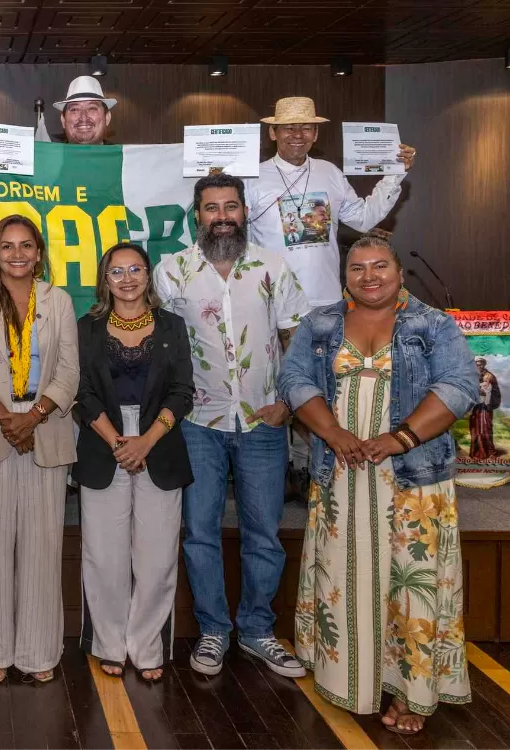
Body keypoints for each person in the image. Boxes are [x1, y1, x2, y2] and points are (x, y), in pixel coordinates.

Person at [278, 236, 478, 735]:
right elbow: (295, 381)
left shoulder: (434, 324)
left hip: (413, 481)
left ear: (399, 272)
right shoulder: (320, 323)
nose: (370, 276)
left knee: (411, 585)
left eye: (380, 266)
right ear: (344, 275)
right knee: (347, 576)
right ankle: (350, 680)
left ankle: (412, 692)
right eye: (358, 268)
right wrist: (334, 433)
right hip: (340, 476)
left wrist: (400, 438)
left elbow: (459, 386)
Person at [152, 172, 310, 678]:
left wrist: (288, 403)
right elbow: (162, 349)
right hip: (197, 422)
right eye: (212, 207)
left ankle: (259, 631)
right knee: (199, 531)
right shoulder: (171, 271)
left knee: (264, 531)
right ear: (196, 215)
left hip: (265, 421)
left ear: (244, 212)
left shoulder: (273, 266)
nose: (222, 216)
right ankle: (214, 631)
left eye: (231, 207)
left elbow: (297, 342)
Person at [0, 215, 78, 684]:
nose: (18, 254)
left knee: (42, 548)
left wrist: (34, 416)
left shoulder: (58, 301)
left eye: (27, 246)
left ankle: (38, 652)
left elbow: (70, 369)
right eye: (8, 247)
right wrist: (9, 419)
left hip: (45, 432)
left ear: (40, 253)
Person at [74, 242, 194, 682]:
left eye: (136, 270)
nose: (127, 279)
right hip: (102, 440)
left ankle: (146, 646)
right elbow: (80, 391)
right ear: (105, 280)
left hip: (157, 442)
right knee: (104, 556)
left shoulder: (172, 327)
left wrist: (145, 441)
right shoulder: (86, 328)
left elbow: (182, 391)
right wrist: (116, 442)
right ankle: (108, 643)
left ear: (148, 275)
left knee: (157, 555)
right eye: (117, 272)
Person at [244, 96, 417, 309]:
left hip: (326, 300)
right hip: (272, 301)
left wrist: (395, 174)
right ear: (273, 133)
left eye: (306, 128)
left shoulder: (330, 172)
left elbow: (363, 220)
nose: (298, 135)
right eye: (289, 128)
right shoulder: (252, 178)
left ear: (315, 135)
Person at [53, 75, 116, 146]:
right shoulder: (49, 156)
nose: (83, 117)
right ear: (63, 120)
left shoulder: (123, 156)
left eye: (92, 108)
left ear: (107, 117)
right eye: (75, 110)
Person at [470, 357, 501, 460]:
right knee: (476, 428)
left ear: (484, 364)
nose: (480, 366)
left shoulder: (490, 376)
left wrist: (487, 392)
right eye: (478, 364)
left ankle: (490, 452)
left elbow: (496, 391)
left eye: (481, 364)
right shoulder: (473, 376)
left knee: (486, 428)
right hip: (476, 406)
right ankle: (477, 452)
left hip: (486, 407)